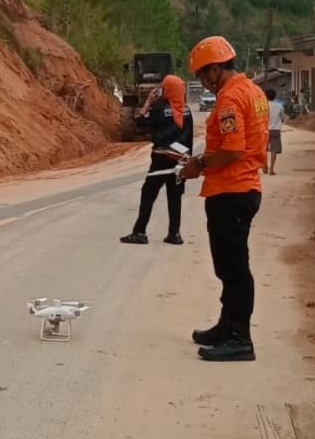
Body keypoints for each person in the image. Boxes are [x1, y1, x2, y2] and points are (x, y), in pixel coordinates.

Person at [180, 36, 268, 363]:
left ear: (216, 69)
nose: (203, 82)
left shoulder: (230, 99)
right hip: (242, 188)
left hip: (232, 191)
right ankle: (227, 325)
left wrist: (198, 164)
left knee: (233, 268)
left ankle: (239, 338)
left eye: (204, 75)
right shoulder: (253, 92)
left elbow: (232, 149)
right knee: (228, 266)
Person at [120, 74, 194, 246]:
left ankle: (139, 232)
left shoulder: (160, 108)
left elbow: (139, 122)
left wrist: (147, 103)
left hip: (161, 160)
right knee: (175, 198)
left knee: (148, 195)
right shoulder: (187, 110)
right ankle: (174, 234)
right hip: (180, 161)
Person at [265, 86, 286, 175]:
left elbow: (258, 117)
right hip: (275, 130)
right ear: (275, 96)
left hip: (264, 130)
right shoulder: (279, 106)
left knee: (263, 149)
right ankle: (271, 169)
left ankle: (264, 165)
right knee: (274, 149)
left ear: (265, 96)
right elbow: (283, 118)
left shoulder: (262, 105)